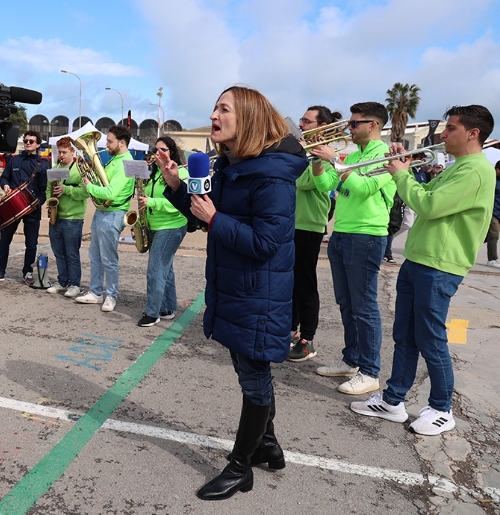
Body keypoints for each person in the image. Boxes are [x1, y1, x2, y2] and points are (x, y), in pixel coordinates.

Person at [162, 86, 307, 500]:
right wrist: (176, 186)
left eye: (223, 109)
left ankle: (240, 466)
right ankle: (268, 445)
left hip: (257, 293)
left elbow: (265, 243)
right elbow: (203, 210)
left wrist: (215, 218)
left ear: (248, 119)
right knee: (251, 370)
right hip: (236, 287)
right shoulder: (233, 165)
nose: (213, 115)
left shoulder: (274, 176)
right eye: (214, 107)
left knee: (254, 376)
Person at [350, 105, 495, 435]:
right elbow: (426, 193)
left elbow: (428, 206)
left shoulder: (475, 171)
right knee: (405, 335)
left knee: (430, 339)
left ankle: (442, 409)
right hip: (421, 260)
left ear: (473, 134)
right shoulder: (459, 167)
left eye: (452, 129)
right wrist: (405, 167)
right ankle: (393, 400)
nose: (443, 135)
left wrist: (399, 173)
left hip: (439, 266)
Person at [309, 102, 396, 395]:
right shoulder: (354, 153)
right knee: (346, 303)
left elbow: (363, 188)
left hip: (367, 236)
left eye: (355, 123)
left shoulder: (387, 156)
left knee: (365, 306)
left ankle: (370, 371)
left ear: (373, 125)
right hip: (342, 234)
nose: (350, 127)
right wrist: (318, 163)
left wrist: (334, 159)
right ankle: (351, 360)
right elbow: (326, 187)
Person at [287, 106, 338, 360]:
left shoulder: (330, 156)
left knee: (305, 283)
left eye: (307, 122)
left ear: (322, 126)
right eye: (301, 121)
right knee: (291, 282)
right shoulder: (301, 151)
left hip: (309, 225)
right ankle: (292, 331)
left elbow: (303, 181)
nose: (302, 125)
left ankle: (307, 339)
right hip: (291, 222)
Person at [75, 125, 134, 312]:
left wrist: (89, 187)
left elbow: (111, 193)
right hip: (102, 212)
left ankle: (111, 295)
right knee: (95, 255)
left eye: (109, 141)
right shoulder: (115, 159)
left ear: (121, 143)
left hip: (113, 213)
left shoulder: (126, 163)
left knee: (108, 258)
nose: (106, 144)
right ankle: (95, 292)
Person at [136, 136, 188, 327]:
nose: (158, 153)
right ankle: (167, 308)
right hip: (155, 225)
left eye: (163, 149)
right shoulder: (154, 172)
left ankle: (152, 313)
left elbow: (179, 203)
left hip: (171, 226)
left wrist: (152, 202)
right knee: (166, 267)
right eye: (155, 149)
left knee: (155, 270)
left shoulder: (179, 173)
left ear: (172, 152)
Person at [0, 131, 48, 284]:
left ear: (38, 144)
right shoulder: (14, 161)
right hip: (12, 207)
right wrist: (6, 185)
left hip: (32, 210)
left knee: (31, 243)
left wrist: (36, 204)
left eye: (32, 141)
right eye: (26, 140)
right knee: (4, 240)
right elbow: (4, 177)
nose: (28, 143)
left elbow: (43, 191)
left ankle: (28, 271)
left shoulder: (43, 165)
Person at [46, 137, 89, 297]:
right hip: (56, 217)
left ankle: (75, 284)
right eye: (59, 152)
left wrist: (66, 190)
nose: (61, 155)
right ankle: (63, 281)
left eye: (64, 152)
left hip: (73, 218)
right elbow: (48, 189)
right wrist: (49, 201)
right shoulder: (55, 167)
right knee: (58, 252)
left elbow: (85, 193)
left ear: (72, 152)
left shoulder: (79, 169)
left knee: (71, 253)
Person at [485, 160, 500, 268]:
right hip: (492, 211)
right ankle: (492, 259)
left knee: (487, 236)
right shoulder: (491, 179)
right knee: (494, 235)